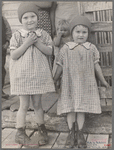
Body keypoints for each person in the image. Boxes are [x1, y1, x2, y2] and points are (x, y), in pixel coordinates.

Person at [53, 15, 109, 148]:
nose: (81, 35)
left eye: (84, 32)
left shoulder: (91, 48)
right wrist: (54, 80)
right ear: (72, 33)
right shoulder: (66, 48)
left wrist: (104, 81)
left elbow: (97, 66)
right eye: (77, 32)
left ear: (88, 34)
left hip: (85, 85)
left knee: (81, 109)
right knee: (71, 109)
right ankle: (71, 134)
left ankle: (80, 134)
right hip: (70, 85)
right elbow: (60, 66)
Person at [9, 2, 55, 148]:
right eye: (26, 17)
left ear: (38, 18)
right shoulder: (17, 35)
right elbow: (14, 55)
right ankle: (20, 132)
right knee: (24, 105)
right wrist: (27, 42)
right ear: (20, 20)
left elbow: (50, 52)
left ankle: (41, 129)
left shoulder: (44, 34)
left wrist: (36, 42)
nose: (30, 20)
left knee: (37, 104)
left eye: (33, 16)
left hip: (37, 76)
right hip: (22, 76)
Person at [53, 19, 72, 88]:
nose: (62, 32)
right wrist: (59, 36)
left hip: (68, 59)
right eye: (60, 30)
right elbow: (56, 44)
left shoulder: (70, 38)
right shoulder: (56, 38)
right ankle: (56, 84)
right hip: (59, 59)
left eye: (64, 30)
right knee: (57, 72)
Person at [2, 16, 12, 99]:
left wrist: (7, 43)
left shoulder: (2, 19)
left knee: (1, 69)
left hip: (1, 48)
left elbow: (8, 31)